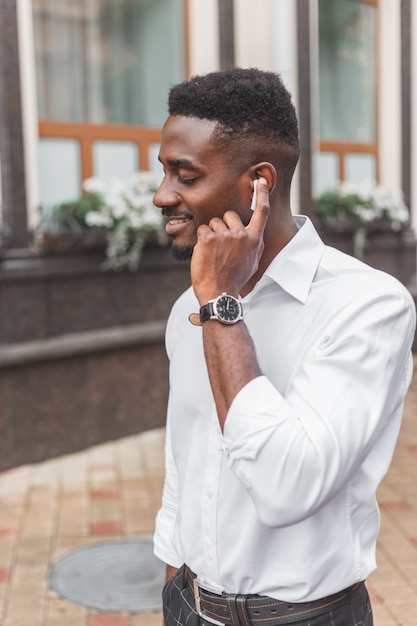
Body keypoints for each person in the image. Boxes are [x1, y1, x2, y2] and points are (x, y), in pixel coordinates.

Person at [152, 67, 416, 626]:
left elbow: (285, 485)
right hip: (188, 606)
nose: (162, 195)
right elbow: (187, 460)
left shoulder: (367, 305)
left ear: (260, 183)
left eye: (185, 175)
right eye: (164, 172)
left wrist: (222, 306)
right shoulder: (188, 309)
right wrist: (173, 578)